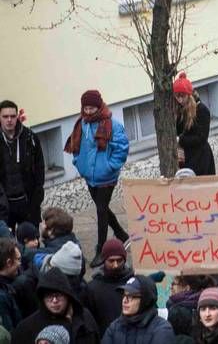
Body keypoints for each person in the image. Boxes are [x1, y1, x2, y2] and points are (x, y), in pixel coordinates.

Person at [63, 89, 129, 267]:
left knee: (101, 210)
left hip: (106, 177)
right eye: (86, 108)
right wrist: (79, 163)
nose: (89, 111)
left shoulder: (112, 125)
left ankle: (101, 249)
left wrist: (109, 167)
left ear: (99, 106)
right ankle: (122, 234)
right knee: (104, 208)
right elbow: (78, 146)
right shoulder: (82, 124)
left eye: (92, 108)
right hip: (90, 176)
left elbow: (122, 149)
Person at [12, 267, 98, 343]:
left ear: (68, 296)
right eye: (49, 296)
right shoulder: (26, 329)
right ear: (42, 297)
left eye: (59, 295)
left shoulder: (85, 318)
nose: (54, 300)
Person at [0, 100, 44, 229]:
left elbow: (40, 168)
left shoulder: (30, 137)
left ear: (17, 117)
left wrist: (37, 198)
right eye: (5, 116)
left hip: (28, 202)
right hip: (5, 205)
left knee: (31, 243)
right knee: (7, 246)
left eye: (13, 116)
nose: (9, 120)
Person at [100, 274, 174, 343]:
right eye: (124, 295)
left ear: (145, 300)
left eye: (131, 296)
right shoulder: (115, 327)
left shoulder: (162, 329)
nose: (125, 300)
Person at [84, 238, 132, 332]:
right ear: (104, 260)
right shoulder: (92, 289)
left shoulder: (133, 284)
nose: (115, 265)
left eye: (119, 260)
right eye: (111, 261)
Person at [173, 73, 215, 176]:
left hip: (201, 158)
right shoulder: (180, 110)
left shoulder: (202, 110)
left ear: (189, 95)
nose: (179, 100)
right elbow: (177, 131)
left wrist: (181, 140)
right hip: (186, 156)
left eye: (182, 96)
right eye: (177, 96)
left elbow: (201, 138)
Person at [0, 238, 20, 333]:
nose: (20, 264)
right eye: (18, 259)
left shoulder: (6, 286)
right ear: (8, 263)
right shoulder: (2, 297)